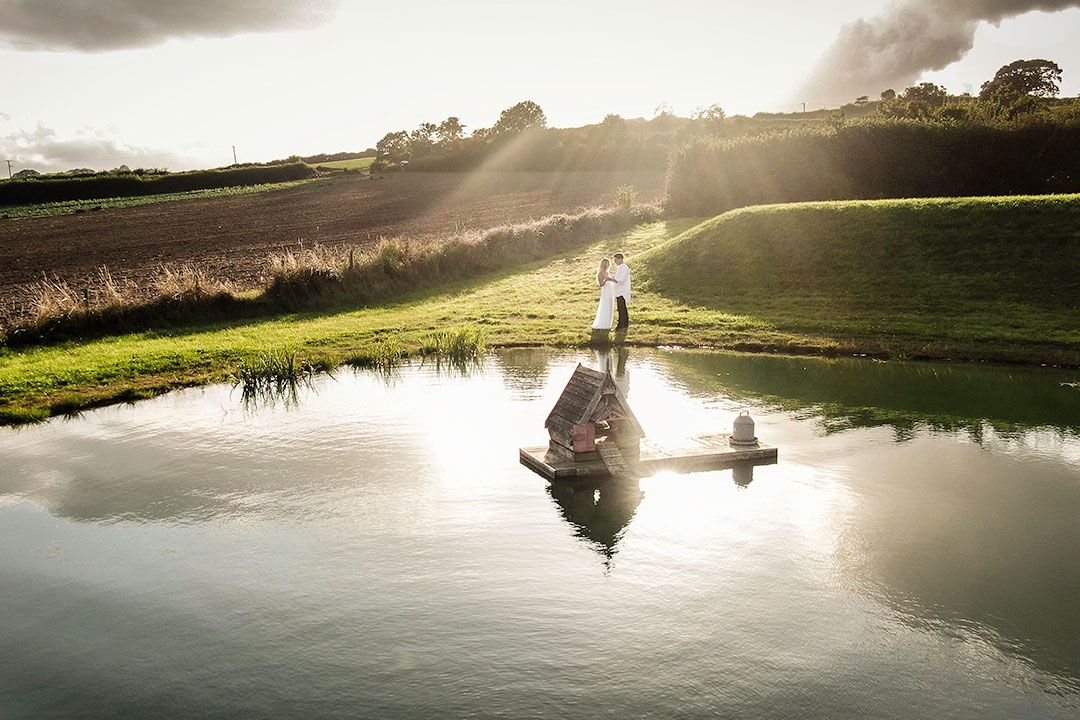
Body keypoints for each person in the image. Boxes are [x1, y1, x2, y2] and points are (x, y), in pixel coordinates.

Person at [591, 257, 615, 330]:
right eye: (607, 264)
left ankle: (608, 324)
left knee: (610, 307)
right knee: (606, 306)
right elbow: (601, 284)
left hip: (611, 291)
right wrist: (606, 280)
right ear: (604, 264)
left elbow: (615, 274)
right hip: (606, 291)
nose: (609, 265)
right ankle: (603, 324)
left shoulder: (608, 272)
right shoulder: (600, 274)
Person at [612, 251, 631, 330]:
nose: (615, 262)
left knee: (621, 309)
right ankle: (624, 325)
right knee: (621, 308)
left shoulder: (624, 268)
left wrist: (612, 279)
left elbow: (621, 279)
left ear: (620, 259)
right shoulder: (620, 267)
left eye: (616, 260)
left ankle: (621, 325)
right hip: (619, 291)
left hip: (622, 291)